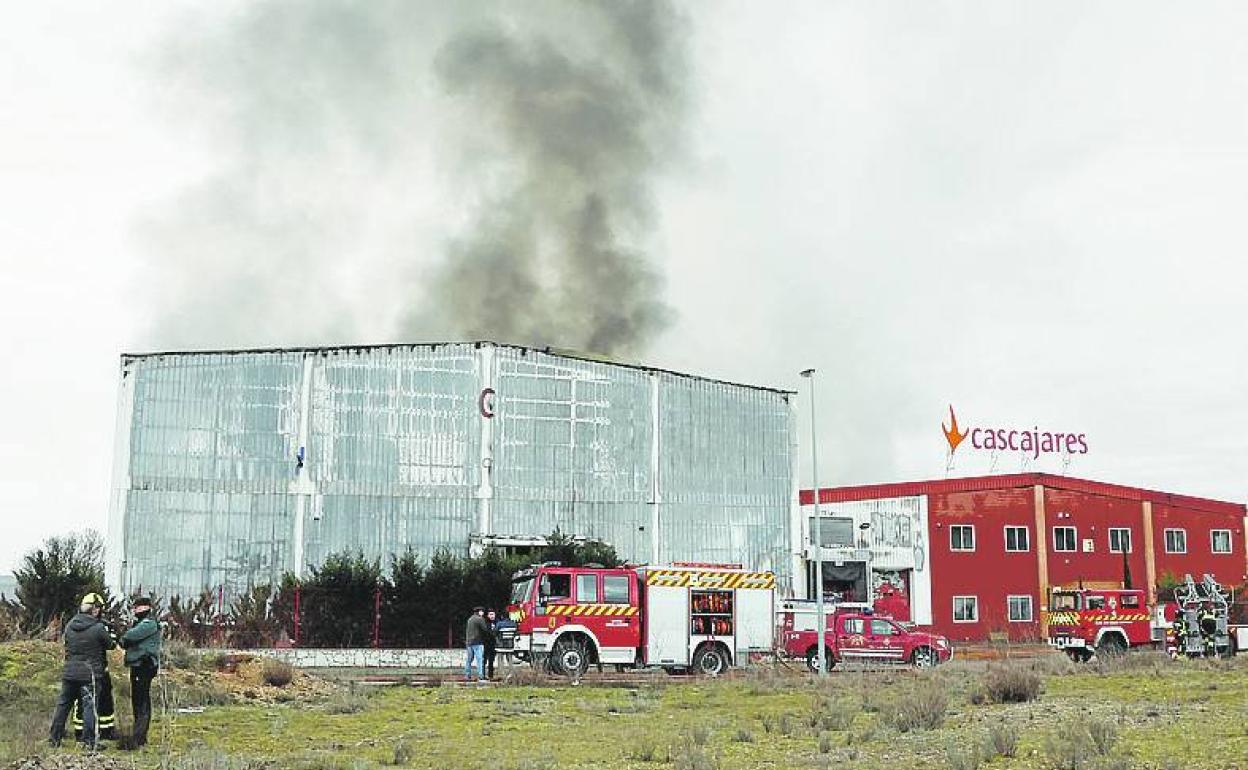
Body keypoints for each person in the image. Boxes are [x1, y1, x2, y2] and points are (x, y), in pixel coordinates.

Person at [50, 593, 116, 749]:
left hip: (70, 672)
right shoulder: (99, 628)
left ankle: (54, 738)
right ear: (94, 609)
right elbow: (111, 645)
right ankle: (89, 742)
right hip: (90, 674)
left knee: (63, 706)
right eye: (99, 608)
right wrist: (111, 632)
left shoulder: (70, 625)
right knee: (89, 707)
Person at [119, 597, 161, 747]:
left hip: (144, 665)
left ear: (145, 607)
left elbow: (130, 636)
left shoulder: (148, 623)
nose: (134, 610)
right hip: (138, 665)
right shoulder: (142, 623)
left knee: (141, 701)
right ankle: (139, 735)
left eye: (137, 607)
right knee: (138, 700)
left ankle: (139, 737)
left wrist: (124, 637)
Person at [464, 607, 490, 682]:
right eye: (482, 611)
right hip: (477, 642)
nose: (483, 613)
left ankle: (467, 675)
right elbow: (485, 629)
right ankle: (481, 676)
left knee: (469, 659)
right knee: (479, 659)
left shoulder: (470, 619)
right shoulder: (480, 619)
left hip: (469, 642)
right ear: (479, 612)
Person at [483, 609, 498, 680]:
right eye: (490, 614)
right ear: (488, 615)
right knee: (484, 660)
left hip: (493, 644)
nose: (492, 616)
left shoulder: (497, 622)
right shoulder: (485, 623)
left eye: (493, 614)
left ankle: (490, 675)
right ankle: (482, 674)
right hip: (486, 644)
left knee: (491, 661)